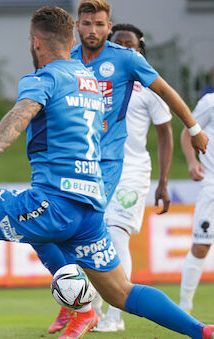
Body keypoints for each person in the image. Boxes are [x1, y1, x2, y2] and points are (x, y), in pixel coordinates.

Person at [0, 6, 214, 339]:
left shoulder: (45, 78)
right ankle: (199, 330)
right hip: (90, 209)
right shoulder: (92, 83)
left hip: (53, 201)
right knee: (120, 291)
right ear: (72, 39)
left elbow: (21, 112)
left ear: (36, 42)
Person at [28, 1, 209, 336]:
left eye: (100, 24)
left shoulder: (126, 61)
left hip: (121, 167)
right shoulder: (66, 60)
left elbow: (167, 100)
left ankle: (110, 313)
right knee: (58, 234)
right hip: (77, 163)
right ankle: (81, 306)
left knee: (111, 236)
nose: (93, 31)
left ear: (108, 26)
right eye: (86, 24)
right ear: (77, 26)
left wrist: (195, 130)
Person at [90, 23, 173, 332]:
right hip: (96, 169)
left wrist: (163, 182)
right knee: (92, 237)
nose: (124, 48)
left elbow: (165, 131)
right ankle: (91, 312)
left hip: (133, 171)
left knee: (116, 235)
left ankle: (115, 316)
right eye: (118, 43)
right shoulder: (96, 79)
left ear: (140, 50)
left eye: (131, 45)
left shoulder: (149, 85)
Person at [179, 92, 214, 314]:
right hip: (211, 185)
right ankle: (185, 306)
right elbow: (187, 133)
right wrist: (192, 162)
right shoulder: (210, 102)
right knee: (201, 246)